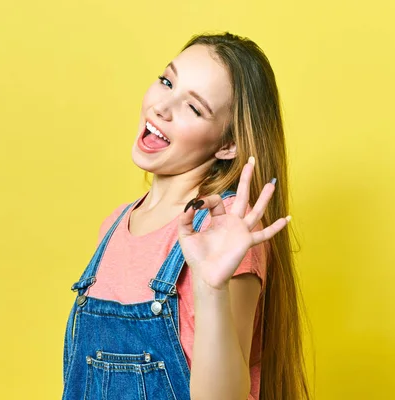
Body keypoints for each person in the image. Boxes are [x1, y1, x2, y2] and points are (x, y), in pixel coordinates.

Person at [62, 32, 310, 400]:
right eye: (166, 81)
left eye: (194, 108)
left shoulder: (223, 232)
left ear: (229, 144)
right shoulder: (114, 225)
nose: (162, 108)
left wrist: (211, 288)